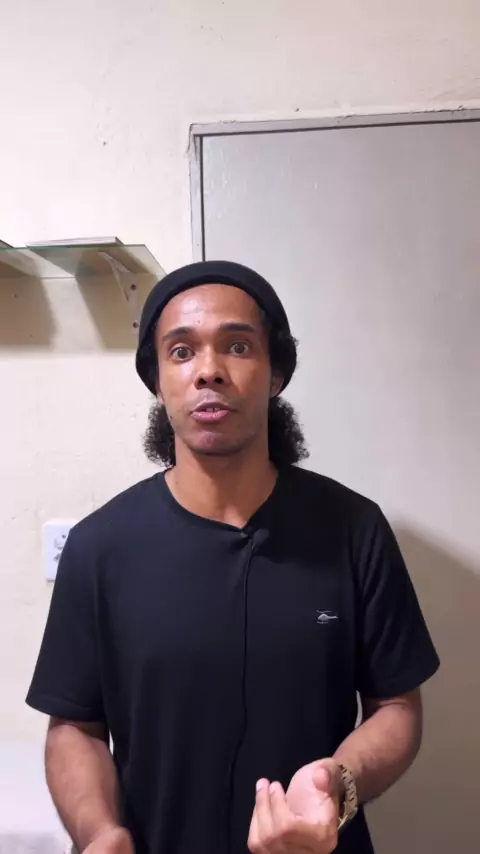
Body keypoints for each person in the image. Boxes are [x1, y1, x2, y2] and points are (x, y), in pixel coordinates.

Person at [27, 260, 440, 854]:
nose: (209, 371)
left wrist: (338, 784)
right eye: (181, 351)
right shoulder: (100, 547)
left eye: (238, 346)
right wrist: (100, 833)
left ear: (276, 374)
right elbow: (74, 727)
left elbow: (396, 706)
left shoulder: (354, 529)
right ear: (158, 381)